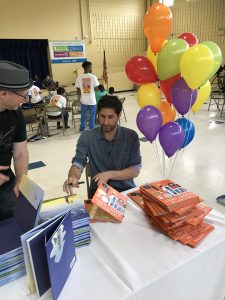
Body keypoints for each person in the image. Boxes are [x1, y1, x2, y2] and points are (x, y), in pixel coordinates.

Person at [63, 95, 142, 197]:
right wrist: (73, 177)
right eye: (102, 116)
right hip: (99, 193)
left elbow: (135, 170)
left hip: (126, 192)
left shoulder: (131, 136)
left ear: (119, 115)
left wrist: (109, 174)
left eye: (110, 117)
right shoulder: (87, 137)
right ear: (97, 114)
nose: (105, 122)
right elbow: (78, 163)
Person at [0, 60, 32, 220]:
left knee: (14, 225)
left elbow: (20, 153)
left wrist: (21, 180)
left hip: (7, 185)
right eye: (23, 95)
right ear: (3, 94)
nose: (25, 100)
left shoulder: (16, 114)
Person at [75, 61, 99, 132]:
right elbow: (97, 89)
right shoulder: (93, 77)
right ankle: (92, 128)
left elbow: (78, 89)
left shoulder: (79, 77)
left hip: (83, 100)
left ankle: (82, 128)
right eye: (91, 67)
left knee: (83, 115)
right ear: (88, 67)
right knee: (92, 115)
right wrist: (92, 88)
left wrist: (80, 97)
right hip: (92, 100)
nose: (92, 69)